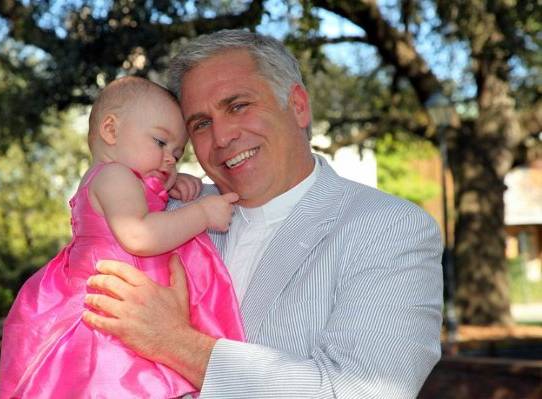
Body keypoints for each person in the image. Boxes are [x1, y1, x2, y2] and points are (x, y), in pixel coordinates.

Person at [83, 30, 444, 398]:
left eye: (238, 105)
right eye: (201, 124)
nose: (222, 137)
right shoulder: (165, 214)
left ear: (299, 106)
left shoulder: (389, 229)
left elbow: (360, 391)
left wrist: (176, 343)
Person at [0, 76, 245, 399]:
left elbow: (142, 203)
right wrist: (202, 214)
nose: (170, 158)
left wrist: (170, 183)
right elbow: (139, 235)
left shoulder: (120, 179)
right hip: (114, 316)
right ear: (111, 131)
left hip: (134, 309)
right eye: (160, 142)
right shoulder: (115, 176)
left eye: (177, 153)